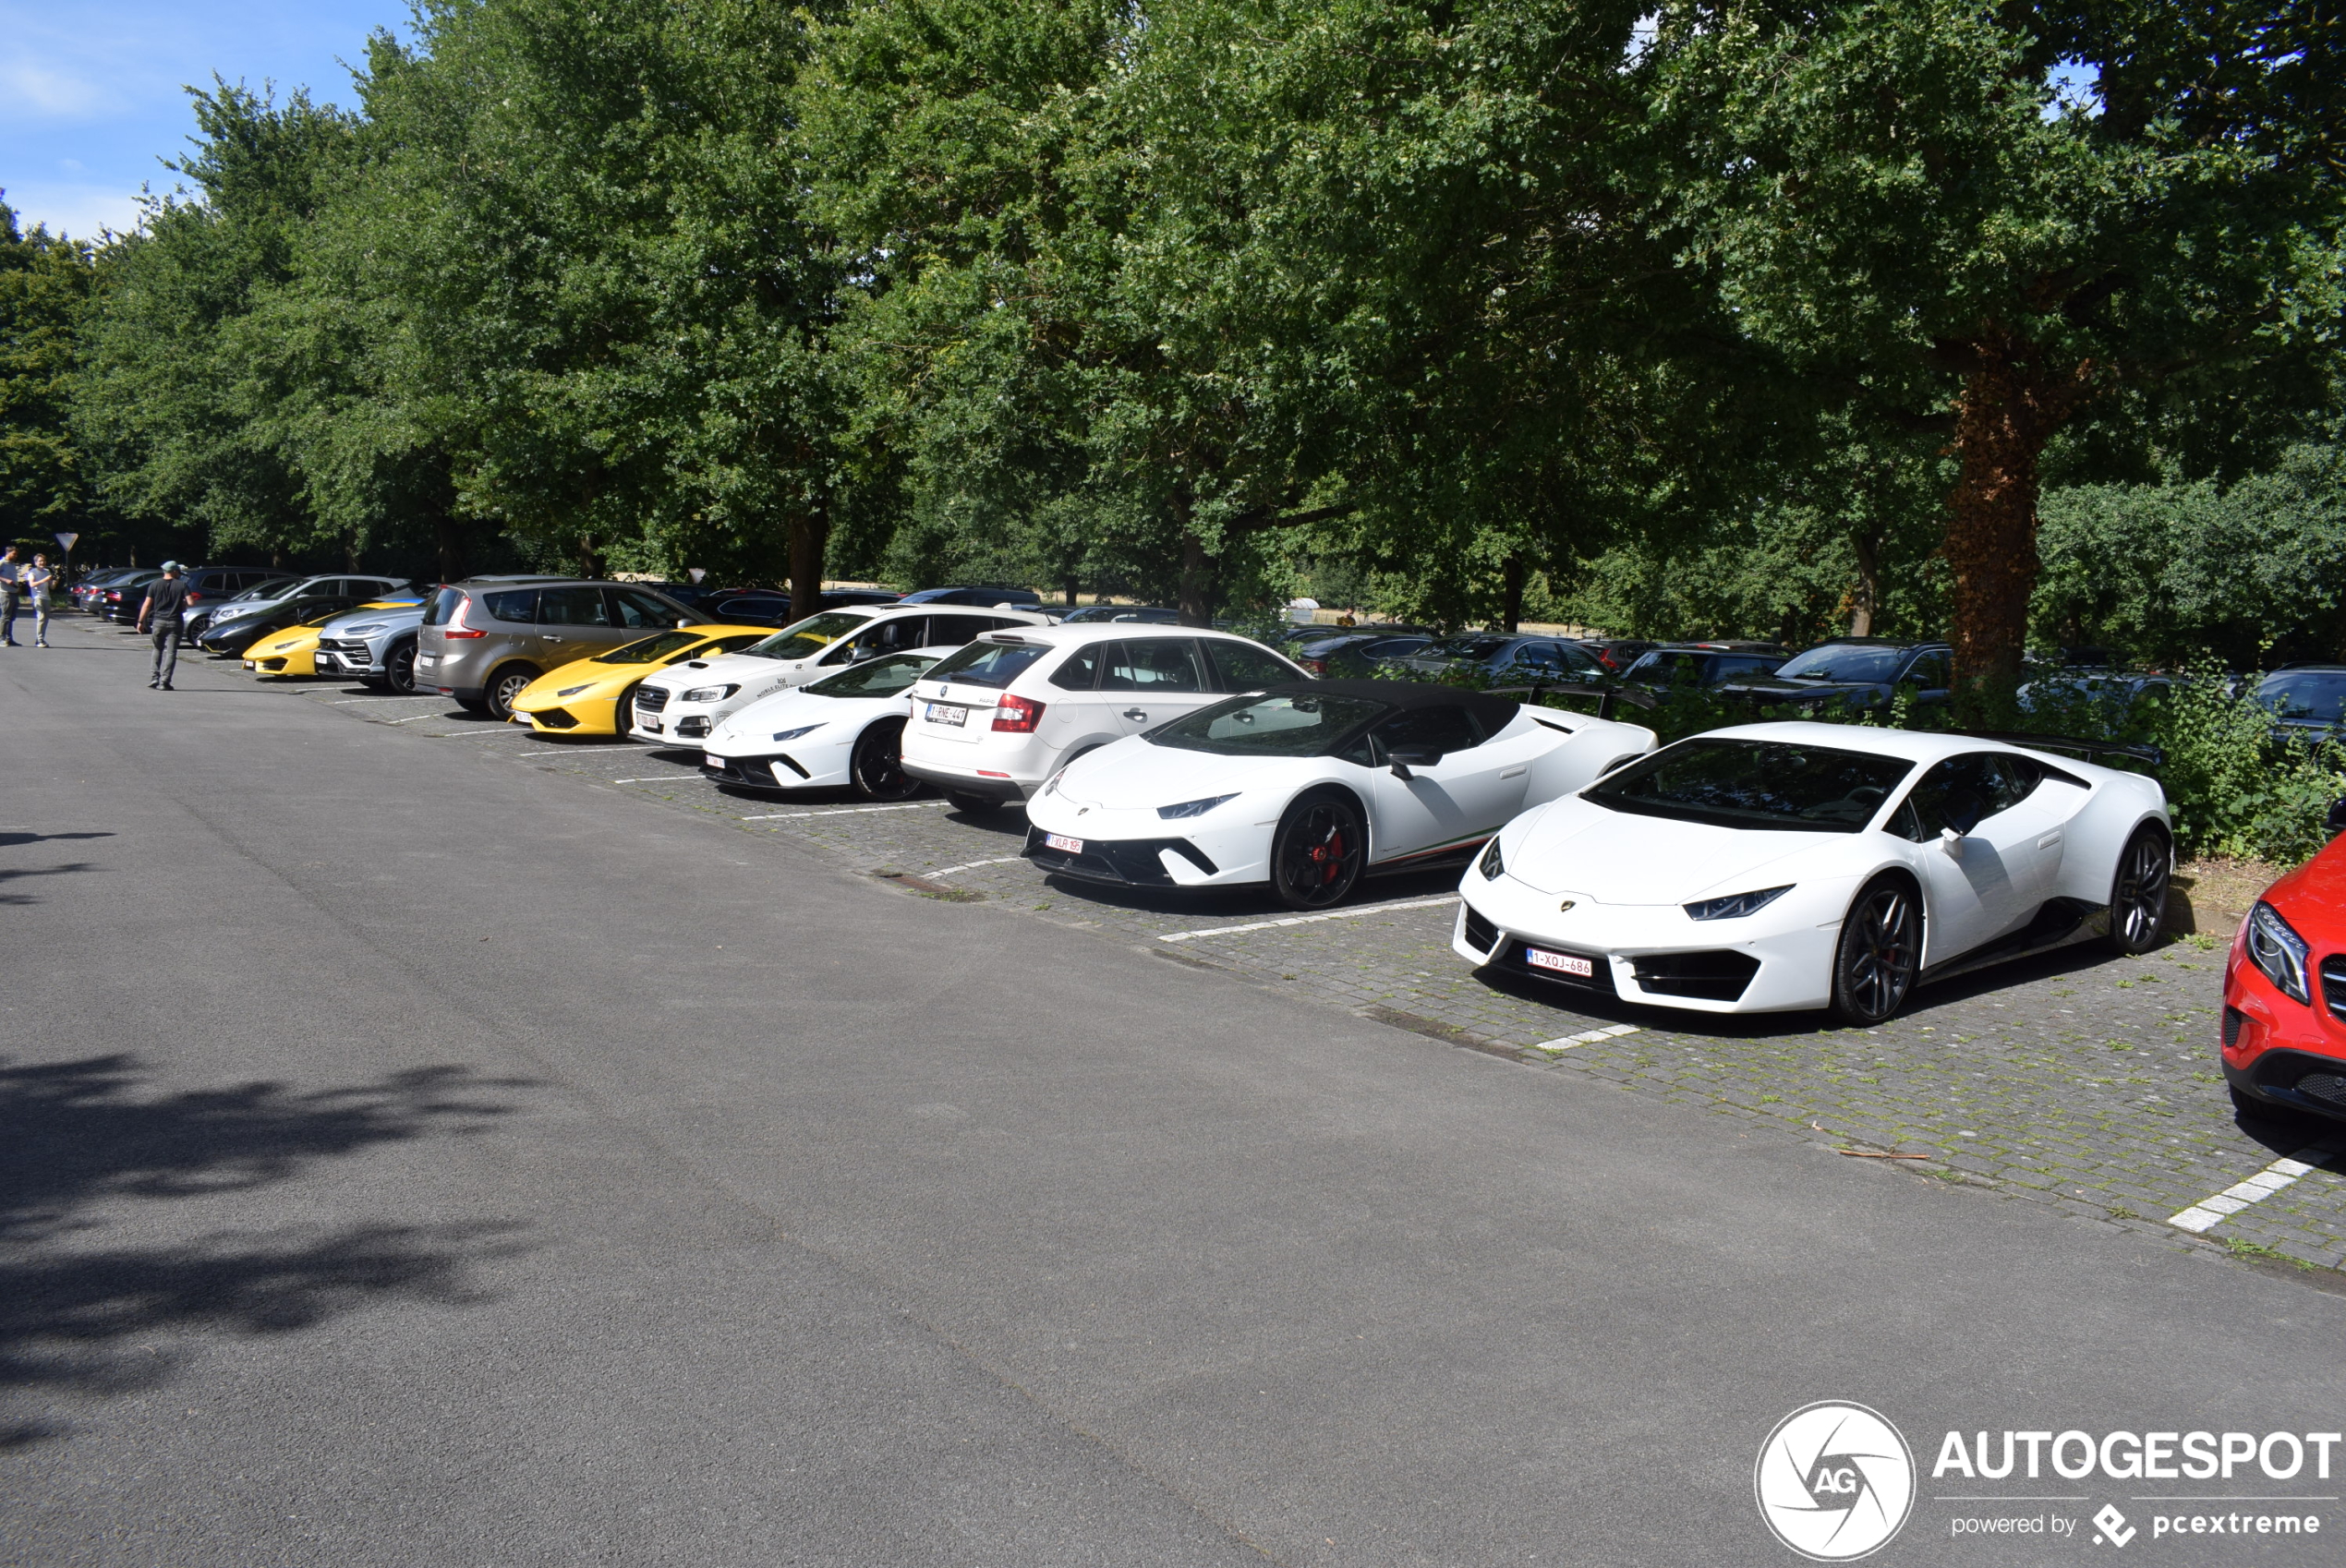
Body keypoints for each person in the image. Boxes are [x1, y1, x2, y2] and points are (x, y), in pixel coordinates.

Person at [137, 561, 189, 690]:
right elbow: (191, 602)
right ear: (174, 571)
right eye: (178, 571)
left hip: (158, 621)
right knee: (171, 652)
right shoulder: (182, 585)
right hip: (175, 621)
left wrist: (140, 622)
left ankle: (154, 678)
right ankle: (165, 681)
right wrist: (183, 604)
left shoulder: (154, 584)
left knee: (157, 649)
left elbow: (147, 604)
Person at [22, 552, 54, 646]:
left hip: (47, 597)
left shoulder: (47, 571)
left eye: (44, 561)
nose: (42, 563)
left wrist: (54, 582)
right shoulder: (33, 572)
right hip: (38, 597)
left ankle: (40, 639)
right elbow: (31, 585)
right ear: (36, 562)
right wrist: (44, 580)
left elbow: (51, 587)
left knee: (46, 619)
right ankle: (40, 640)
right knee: (41, 618)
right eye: (40, 561)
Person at [0, 547, 18, 646]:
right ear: (8, 553)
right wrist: (6, 580)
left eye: (16, 554)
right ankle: (1, 638)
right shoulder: (2, 562)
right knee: (5, 617)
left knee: (11, 617)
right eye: (14, 554)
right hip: (5, 593)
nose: (15, 556)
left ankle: (9, 638)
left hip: (14, 592)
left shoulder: (12, 564)